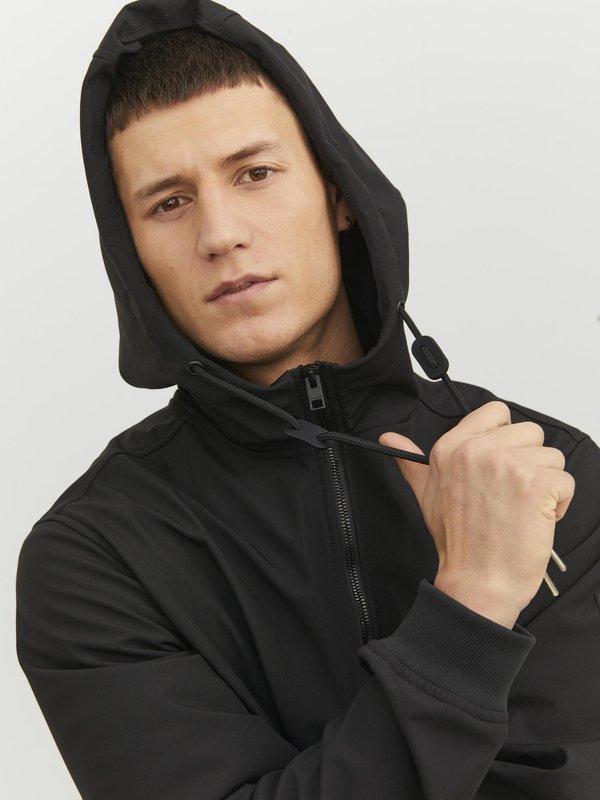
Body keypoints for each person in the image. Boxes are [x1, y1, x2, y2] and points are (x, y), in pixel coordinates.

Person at [15, 0, 600, 798]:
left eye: (254, 174)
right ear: (133, 254)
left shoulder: (547, 476)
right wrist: (474, 600)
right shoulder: (94, 558)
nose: (219, 235)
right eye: (169, 202)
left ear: (338, 193)